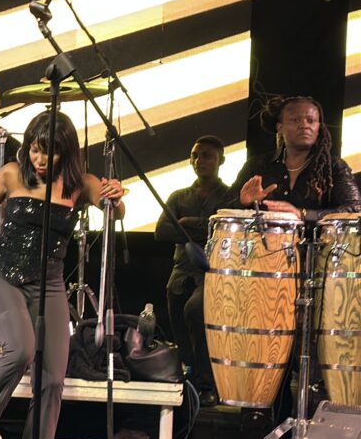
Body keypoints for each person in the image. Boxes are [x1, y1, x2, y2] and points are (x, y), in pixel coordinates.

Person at [0, 109, 125, 439]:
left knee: (53, 380)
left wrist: (116, 198)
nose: (38, 159)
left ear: (66, 153)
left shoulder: (80, 184)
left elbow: (115, 213)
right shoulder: (12, 173)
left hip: (50, 285)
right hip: (1, 277)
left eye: (48, 153)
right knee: (20, 349)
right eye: (34, 149)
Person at [154, 135, 228, 406]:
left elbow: (223, 231)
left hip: (213, 273)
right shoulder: (178, 196)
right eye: (195, 155)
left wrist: (187, 223)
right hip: (180, 273)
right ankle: (189, 383)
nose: (200, 160)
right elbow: (162, 231)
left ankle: (208, 384)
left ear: (221, 160)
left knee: (197, 314)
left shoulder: (230, 195)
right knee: (180, 331)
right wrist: (203, 227)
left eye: (207, 155)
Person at [229, 96, 360, 220]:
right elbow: (222, 208)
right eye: (295, 120)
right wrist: (242, 202)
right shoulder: (257, 166)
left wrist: (303, 214)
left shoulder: (334, 166)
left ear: (318, 128)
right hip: (262, 236)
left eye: (311, 121)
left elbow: (355, 208)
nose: (304, 125)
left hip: (315, 237)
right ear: (280, 128)